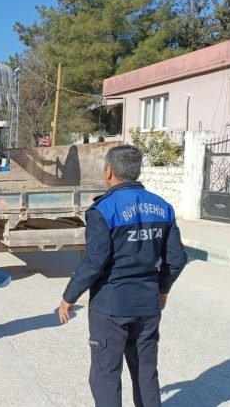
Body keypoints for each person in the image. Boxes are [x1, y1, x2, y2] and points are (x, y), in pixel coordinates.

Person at [57, 145, 188, 407]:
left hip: (111, 308)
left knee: (106, 375)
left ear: (109, 171)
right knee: (145, 374)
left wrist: (69, 296)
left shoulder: (103, 210)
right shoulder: (163, 207)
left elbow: (94, 262)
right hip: (147, 306)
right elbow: (177, 259)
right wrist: (162, 289)